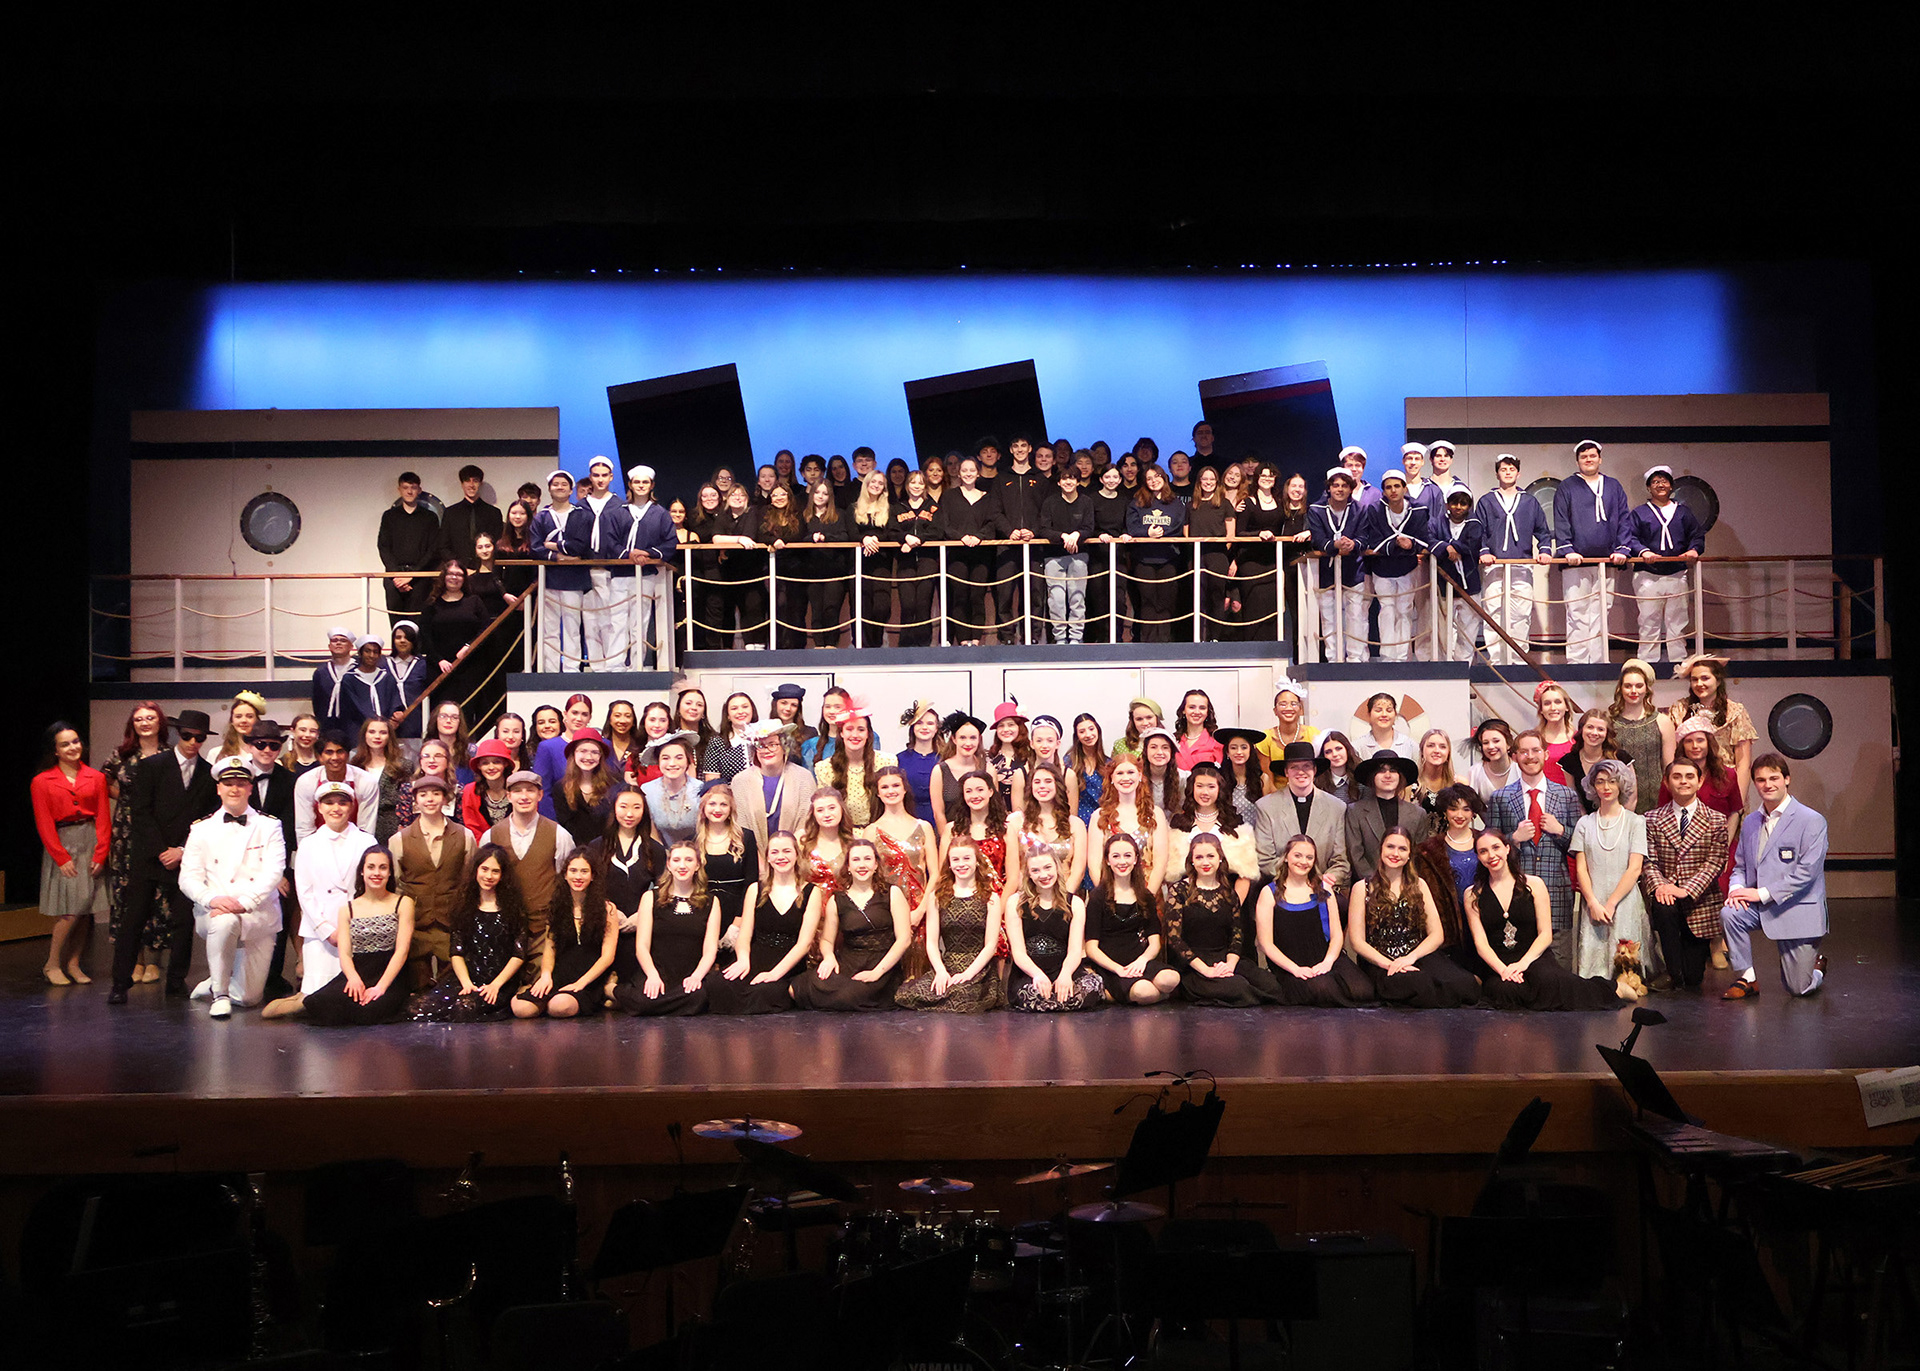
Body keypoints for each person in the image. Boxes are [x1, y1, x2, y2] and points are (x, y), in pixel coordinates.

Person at [109, 708, 217, 1003]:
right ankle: (119, 983)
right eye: (187, 736)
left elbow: (207, 819)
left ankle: (175, 980)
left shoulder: (209, 774)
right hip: (149, 855)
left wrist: (182, 850)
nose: (193, 742)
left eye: (199, 737)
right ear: (176, 734)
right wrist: (160, 850)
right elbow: (140, 812)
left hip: (186, 856)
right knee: (134, 919)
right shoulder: (153, 766)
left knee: (184, 921)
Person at [1467, 828, 1631, 1009]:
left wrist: (1522, 964)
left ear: (1507, 848)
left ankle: (1611, 989)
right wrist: (1503, 970)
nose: (1491, 855)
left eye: (1496, 847)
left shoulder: (1534, 884)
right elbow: (1480, 943)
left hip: (1534, 956)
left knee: (1549, 983)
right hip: (1499, 961)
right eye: (1483, 851)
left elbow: (1545, 934)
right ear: (1479, 857)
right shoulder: (1473, 895)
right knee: (1506, 991)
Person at [180, 759, 287, 1018]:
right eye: (228, 784)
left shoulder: (269, 825)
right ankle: (220, 993)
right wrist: (211, 898)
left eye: (241, 784)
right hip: (217, 911)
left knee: (250, 998)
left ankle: (216, 984)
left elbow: (274, 871)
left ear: (250, 788)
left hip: (257, 911)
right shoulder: (201, 829)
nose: (234, 789)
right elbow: (188, 877)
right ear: (218, 788)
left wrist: (246, 902)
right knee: (226, 921)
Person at [1723, 755, 1829, 1000]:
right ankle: (1747, 979)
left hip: (1797, 909)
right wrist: (1736, 890)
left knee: (1798, 988)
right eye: (1760, 780)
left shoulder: (1811, 820)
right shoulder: (1750, 822)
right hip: (1761, 906)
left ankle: (1818, 968)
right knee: (1730, 913)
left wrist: (1760, 893)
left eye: (1774, 778)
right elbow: (1739, 865)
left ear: (1786, 779)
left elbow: (1807, 873)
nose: (1767, 784)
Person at [1347, 828, 1479, 1007]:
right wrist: (1390, 965)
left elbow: (1436, 935)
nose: (1395, 853)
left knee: (1463, 985)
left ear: (1409, 854)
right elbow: (1357, 942)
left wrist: (1410, 958)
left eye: (1402, 849)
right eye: (1390, 847)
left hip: (1416, 955)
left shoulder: (1420, 884)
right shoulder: (1362, 888)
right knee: (1419, 985)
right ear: (1381, 850)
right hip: (1380, 960)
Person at [1485, 731, 1582, 966]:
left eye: (1536, 750)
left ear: (1546, 754)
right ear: (1515, 756)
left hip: (1556, 889)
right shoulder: (1500, 797)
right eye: (1524, 752)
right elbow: (1488, 847)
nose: (1530, 756)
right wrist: (1513, 839)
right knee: (1519, 957)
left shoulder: (1567, 795)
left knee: (1560, 962)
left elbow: (1579, 846)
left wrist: (1560, 830)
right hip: (1516, 891)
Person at [408, 844, 529, 1022]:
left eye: (495, 871)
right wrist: (466, 983)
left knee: (464, 1008)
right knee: (417, 1009)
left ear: (503, 875)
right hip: (467, 979)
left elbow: (518, 954)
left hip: (499, 982)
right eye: (484, 869)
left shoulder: (513, 908)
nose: (488, 876)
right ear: (476, 870)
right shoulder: (464, 905)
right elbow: (456, 951)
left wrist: (495, 985)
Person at [707, 831, 821, 1014]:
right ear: (767, 857)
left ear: (796, 855)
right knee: (717, 984)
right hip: (754, 959)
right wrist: (743, 960)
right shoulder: (756, 889)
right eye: (775, 852)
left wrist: (774, 974)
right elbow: (744, 936)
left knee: (765, 992)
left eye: (786, 851)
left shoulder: (811, 892)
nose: (781, 857)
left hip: (786, 966)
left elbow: (804, 944)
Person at [1255, 835, 1375, 1006]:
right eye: (1298, 855)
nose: (1303, 861)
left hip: (1324, 956)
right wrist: (1295, 969)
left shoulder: (1324, 890)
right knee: (1325, 990)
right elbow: (1266, 944)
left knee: (1362, 991)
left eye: (1309, 857)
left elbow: (1336, 935)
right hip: (1291, 964)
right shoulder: (1269, 893)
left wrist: (1328, 962)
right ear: (1287, 857)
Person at [795, 838, 913, 1011]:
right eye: (856, 860)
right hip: (847, 965)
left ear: (875, 865)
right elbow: (827, 940)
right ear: (848, 867)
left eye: (867, 859)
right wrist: (829, 957)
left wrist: (877, 973)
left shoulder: (892, 893)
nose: (862, 865)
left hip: (882, 968)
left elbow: (904, 940)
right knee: (797, 987)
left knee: (848, 996)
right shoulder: (837, 899)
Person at [32, 721, 109, 985]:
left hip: (91, 840)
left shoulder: (96, 778)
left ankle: (74, 963)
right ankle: (52, 963)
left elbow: (103, 818)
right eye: (65, 744)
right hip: (64, 842)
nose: (72, 747)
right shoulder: (42, 781)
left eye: (75, 741)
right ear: (55, 750)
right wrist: (61, 857)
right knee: (71, 907)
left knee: (87, 906)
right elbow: (44, 823)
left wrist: (101, 853)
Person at [304, 846, 416, 1026]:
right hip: (359, 971)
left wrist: (381, 987)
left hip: (390, 975)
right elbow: (345, 954)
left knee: (368, 1010)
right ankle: (293, 1004)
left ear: (389, 873)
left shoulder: (403, 903)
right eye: (371, 867)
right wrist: (353, 978)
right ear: (362, 872)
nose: (376, 873)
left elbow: (402, 950)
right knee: (319, 1002)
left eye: (383, 867)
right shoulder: (347, 909)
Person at [103, 703, 172, 985]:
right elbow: (104, 781)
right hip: (126, 834)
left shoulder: (170, 755)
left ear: (160, 722)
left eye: (150, 718)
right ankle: (135, 961)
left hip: (158, 829)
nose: (145, 723)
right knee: (127, 894)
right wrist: (126, 799)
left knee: (157, 893)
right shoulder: (121, 755)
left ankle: (153, 960)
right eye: (139, 719)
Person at [1164, 833, 1276, 1006]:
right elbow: (1175, 939)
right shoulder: (1179, 891)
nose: (1205, 862)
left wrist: (1229, 965)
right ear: (1192, 860)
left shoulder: (1228, 892)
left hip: (1224, 958)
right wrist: (1207, 971)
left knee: (1269, 985)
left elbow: (1237, 935)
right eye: (1199, 857)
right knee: (1238, 988)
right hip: (1194, 964)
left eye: (1210, 856)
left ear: (1220, 859)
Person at [385, 771, 474, 989]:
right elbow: (395, 885)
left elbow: (470, 881)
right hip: (415, 925)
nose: (430, 799)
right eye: (423, 795)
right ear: (415, 801)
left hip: (451, 922)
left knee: (451, 988)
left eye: (436, 794)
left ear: (445, 799)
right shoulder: (399, 840)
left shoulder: (465, 836)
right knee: (416, 988)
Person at [896, 835, 1005, 1011]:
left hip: (978, 970)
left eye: (966, 858)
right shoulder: (937, 897)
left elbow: (991, 946)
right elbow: (931, 942)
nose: (961, 864)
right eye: (955, 859)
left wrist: (968, 974)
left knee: (962, 997)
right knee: (905, 995)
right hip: (948, 966)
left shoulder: (990, 897)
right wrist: (940, 971)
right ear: (949, 863)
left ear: (976, 860)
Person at [1568, 757, 1652, 983]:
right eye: (1600, 781)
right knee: (1592, 973)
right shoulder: (1584, 823)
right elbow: (1581, 869)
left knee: (1625, 970)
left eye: (1612, 782)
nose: (1606, 787)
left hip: (1623, 901)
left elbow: (1635, 869)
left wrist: (1612, 902)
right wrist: (1593, 903)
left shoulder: (1636, 822)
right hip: (1593, 901)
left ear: (1621, 785)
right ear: (1593, 786)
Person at [513, 851, 620, 1019]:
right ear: (565, 874)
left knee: (559, 1006)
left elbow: (607, 957)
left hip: (589, 979)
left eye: (584, 871)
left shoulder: (608, 910)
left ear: (592, 876)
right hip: (560, 974)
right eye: (573, 871)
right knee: (520, 1007)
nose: (578, 876)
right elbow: (550, 949)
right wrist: (546, 976)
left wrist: (581, 983)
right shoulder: (557, 907)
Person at [1552, 440, 1632, 664]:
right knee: (1577, 612)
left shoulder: (1614, 486)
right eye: (1584, 456)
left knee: (1601, 613)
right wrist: (1567, 549)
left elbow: (1624, 518)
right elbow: (1561, 518)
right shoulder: (1567, 486)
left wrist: (1622, 549)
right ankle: (1577, 663)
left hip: (1606, 561)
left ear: (1600, 458)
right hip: (1576, 561)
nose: (1588, 459)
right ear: (1577, 461)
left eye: (1592, 455)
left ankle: (1599, 661)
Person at [487, 770, 574, 968]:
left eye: (530, 791)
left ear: (540, 795)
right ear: (508, 796)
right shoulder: (491, 836)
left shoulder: (559, 835)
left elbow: (565, 882)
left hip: (543, 930)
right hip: (503, 928)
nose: (524, 796)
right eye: (517, 791)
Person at [1472, 454, 1552, 664]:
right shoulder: (1486, 501)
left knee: (1521, 613)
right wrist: (1484, 551)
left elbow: (1542, 531)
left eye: (1511, 469)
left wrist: (1544, 550)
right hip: (1494, 566)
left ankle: (1518, 659)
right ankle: (1497, 660)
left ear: (1518, 473)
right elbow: (1478, 531)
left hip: (1521, 565)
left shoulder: (1529, 502)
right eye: (1503, 469)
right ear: (1497, 473)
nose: (1507, 473)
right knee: (1493, 612)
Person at [1084, 833, 1181, 1004]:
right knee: (1145, 991)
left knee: (1171, 978)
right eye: (1116, 856)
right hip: (1112, 967)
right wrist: (1118, 969)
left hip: (1139, 962)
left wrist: (1142, 960)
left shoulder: (1145, 896)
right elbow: (1091, 948)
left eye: (1127, 855)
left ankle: (1131, 995)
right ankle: (1119, 993)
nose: (1122, 861)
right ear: (1107, 860)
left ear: (1136, 859)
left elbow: (1154, 941)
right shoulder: (1098, 897)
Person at [1005, 846, 1105, 1011]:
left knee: (1093, 986)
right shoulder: (1015, 903)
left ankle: (1056, 999)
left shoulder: (1075, 903)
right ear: (1028, 874)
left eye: (1047, 867)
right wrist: (1037, 975)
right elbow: (1019, 953)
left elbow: (1074, 951)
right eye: (1035, 870)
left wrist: (1065, 974)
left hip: (1063, 969)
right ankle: (1056, 1001)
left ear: (1056, 867)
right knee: (1032, 996)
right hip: (1030, 974)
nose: (1043, 875)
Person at [1625, 465, 1704, 663]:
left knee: (1677, 621)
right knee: (1648, 620)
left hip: (1677, 572)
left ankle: (1678, 661)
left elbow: (1696, 535)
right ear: (1649, 488)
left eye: (1664, 481)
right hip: (1648, 574)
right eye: (1655, 482)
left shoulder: (1683, 512)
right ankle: (1647, 662)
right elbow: (1630, 537)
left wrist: (1694, 550)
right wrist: (1644, 551)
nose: (1660, 485)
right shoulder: (1639, 513)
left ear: (1671, 486)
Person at [1254, 740, 1350, 892]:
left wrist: (1325, 880)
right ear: (1286, 772)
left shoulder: (1336, 807)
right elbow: (1265, 860)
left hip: (1322, 887)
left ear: (1315, 769)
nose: (1301, 772)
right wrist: (1295, 881)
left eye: (1306, 766)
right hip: (1282, 887)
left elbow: (1340, 861)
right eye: (1294, 767)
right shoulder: (1266, 807)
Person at [1666, 654, 1758, 811]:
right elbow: (1672, 755)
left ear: (1718, 680)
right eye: (1695, 679)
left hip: (1724, 788)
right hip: (1688, 787)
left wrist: (1737, 803)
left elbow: (1743, 764)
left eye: (1705, 678)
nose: (1699, 683)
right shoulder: (1679, 709)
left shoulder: (1735, 712)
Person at [1412, 784, 1487, 975]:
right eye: (1453, 808)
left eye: (1466, 809)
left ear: (1473, 813)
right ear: (1445, 811)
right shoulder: (1428, 850)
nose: (1459, 815)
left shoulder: (1486, 843)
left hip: (1485, 920)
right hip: (1447, 928)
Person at [1359, 469, 1429, 662]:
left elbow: (1424, 539)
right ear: (1383, 491)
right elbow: (1372, 540)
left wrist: (1411, 545)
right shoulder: (1374, 510)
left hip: (1408, 567)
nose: (1393, 491)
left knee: (1405, 610)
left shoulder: (1419, 510)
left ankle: (1403, 657)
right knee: (1387, 610)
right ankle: (1388, 656)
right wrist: (1396, 544)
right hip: (1382, 569)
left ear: (1404, 488)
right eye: (1388, 487)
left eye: (1397, 486)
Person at [733, 720, 817, 869]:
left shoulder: (803, 777)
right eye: (760, 745)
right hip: (753, 863)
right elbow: (741, 829)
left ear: (784, 746)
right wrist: (759, 865)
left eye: (772, 744)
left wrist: (788, 857)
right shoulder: (740, 781)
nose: (766, 750)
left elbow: (807, 824)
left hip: (797, 862)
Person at [864, 765, 938, 936]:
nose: (891, 791)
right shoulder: (871, 831)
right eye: (885, 787)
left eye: (895, 785)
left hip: (921, 911)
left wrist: (921, 910)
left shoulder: (924, 827)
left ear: (905, 789)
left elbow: (935, 873)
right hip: (886, 912)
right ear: (878, 793)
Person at [934, 455, 999, 646]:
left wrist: (978, 536)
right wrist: (961, 537)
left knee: (977, 595)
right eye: (964, 471)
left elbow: (991, 523)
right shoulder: (949, 496)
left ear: (978, 473)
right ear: (959, 474)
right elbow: (944, 524)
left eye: (972, 470)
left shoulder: (987, 498)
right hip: (957, 553)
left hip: (981, 553)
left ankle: (976, 639)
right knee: (960, 595)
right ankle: (963, 639)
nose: (968, 474)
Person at [991, 435, 1049, 644]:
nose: (1020, 449)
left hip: (1034, 545)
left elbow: (1046, 512)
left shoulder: (1041, 479)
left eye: (1024, 445)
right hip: (1008, 546)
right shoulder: (1001, 478)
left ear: (1030, 448)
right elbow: (995, 512)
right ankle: (1007, 638)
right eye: (1015, 446)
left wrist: (1033, 531)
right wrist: (1009, 531)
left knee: (1034, 594)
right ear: (1010, 450)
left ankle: (1032, 637)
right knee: (1005, 594)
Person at [1087, 753, 1169, 892]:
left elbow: (1160, 862)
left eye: (1131, 772)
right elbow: (1094, 865)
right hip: (1110, 898)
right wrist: (1108, 896)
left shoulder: (1155, 814)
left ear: (1139, 775)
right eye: (1119, 773)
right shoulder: (1099, 816)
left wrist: (1146, 898)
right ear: (1112, 778)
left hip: (1148, 894)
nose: (1126, 778)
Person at [1343, 751, 1427, 885]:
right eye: (1381, 771)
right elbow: (1355, 854)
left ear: (1400, 776)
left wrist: (1406, 883)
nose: (1387, 775)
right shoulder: (1355, 811)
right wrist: (1375, 883)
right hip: (1368, 886)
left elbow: (1420, 855)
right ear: (1372, 777)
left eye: (1393, 771)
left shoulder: (1418, 814)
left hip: (1407, 886)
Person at [531, 469, 587, 671]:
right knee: (549, 628)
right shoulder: (541, 518)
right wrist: (560, 556)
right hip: (550, 579)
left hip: (574, 579)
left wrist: (553, 545)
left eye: (564, 484)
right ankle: (551, 669)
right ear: (549, 489)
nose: (560, 487)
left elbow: (580, 546)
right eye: (555, 484)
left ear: (571, 489)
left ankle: (572, 669)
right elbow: (536, 547)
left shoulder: (580, 515)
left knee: (573, 626)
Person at [624, 463, 678, 669]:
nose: (640, 485)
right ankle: (618, 664)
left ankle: (638, 664)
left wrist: (647, 553)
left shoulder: (661, 513)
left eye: (645, 482)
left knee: (640, 621)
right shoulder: (619, 511)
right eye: (637, 482)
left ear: (652, 485)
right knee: (618, 623)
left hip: (646, 573)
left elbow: (670, 542)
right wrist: (628, 554)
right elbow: (610, 541)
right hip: (620, 572)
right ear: (630, 484)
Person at [1125, 464, 1187, 643]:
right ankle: (1149, 642)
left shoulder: (1175, 503)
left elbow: (1178, 526)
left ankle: (1165, 642)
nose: (1154, 481)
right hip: (1143, 559)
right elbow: (1132, 527)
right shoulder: (1137, 501)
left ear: (1164, 477)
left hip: (1168, 558)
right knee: (1148, 601)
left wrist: (1159, 534)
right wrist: (1147, 534)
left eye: (1157, 476)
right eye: (1149, 478)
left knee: (1166, 601)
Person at [1607, 659, 1673, 815]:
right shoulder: (1610, 722)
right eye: (1628, 686)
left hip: (1656, 801)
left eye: (1639, 685)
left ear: (1647, 689)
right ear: (1620, 689)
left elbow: (1669, 768)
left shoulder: (1662, 721)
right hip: (1619, 799)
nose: (1633, 691)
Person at [695, 785, 759, 943]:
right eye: (712, 804)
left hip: (737, 912)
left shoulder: (746, 838)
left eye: (723, 804)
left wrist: (738, 923)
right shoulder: (693, 840)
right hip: (703, 912)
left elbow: (752, 882)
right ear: (703, 807)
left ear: (731, 808)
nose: (717, 809)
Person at [1232, 464, 1288, 643]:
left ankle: (1271, 648)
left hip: (1273, 561)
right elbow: (1238, 533)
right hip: (1251, 562)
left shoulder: (1280, 502)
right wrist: (1258, 534)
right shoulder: (1248, 502)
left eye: (1270, 476)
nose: (1266, 478)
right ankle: (1253, 649)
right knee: (1254, 606)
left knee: (1272, 606)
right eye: (1263, 475)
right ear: (1256, 478)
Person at [1039, 464, 1094, 644]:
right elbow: (1044, 529)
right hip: (1054, 556)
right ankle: (1060, 638)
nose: (1068, 482)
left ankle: (1076, 638)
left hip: (1079, 556)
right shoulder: (1050, 502)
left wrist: (1077, 535)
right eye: (1064, 478)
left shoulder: (1086, 501)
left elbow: (1089, 528)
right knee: (1056, 599)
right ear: (1059, 482)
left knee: (1077, 597)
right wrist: (1063, 536)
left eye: (1072, 478)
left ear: (1078, 481)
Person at [1430, 488, 1486, 661]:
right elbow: (1429, 539)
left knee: (1469, 629)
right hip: (1444, 585)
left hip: (1470, 585)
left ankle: (1464, 666)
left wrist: (1451, 544)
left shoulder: (1475, 524)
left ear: (1469, 506)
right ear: (1447, 504)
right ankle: (1445, 667)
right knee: (1442, 630)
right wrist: (1445, 548)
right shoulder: (1436, 522)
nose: (1458, 507)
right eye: (1454, 503)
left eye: (1463, 503)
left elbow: (1471, 546)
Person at [818, 704, 895, 828]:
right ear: (841, 733)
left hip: (882, 832)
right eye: (849, 729)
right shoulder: (825, 768)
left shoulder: (887, 762)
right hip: (843, 836)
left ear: (868, 734)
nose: (855, 735)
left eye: (860, 729)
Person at [293, 731, 380, 841]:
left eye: (340, 752)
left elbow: (366, 829)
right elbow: (304, 829)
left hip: (354, 845)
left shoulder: (366, 781)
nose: (335, 757)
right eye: (329, 752)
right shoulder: (306, 782)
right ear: (319, 757)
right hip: (318, 845)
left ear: (348, 755)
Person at [378, 471, 441, 617]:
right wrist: (397, 576)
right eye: (405, 487)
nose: (409, 491)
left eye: (413, 487)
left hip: (420, 577)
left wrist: (412, 575)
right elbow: (383, 547)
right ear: (399, 489)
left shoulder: (429, 517)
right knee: (396, 624)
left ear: (419, 490)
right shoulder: (389, 516)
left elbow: (433, 549)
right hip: (394, 578)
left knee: (417, 625)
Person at [889, 469, 941, 647]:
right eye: (913, 482)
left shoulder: (933, 506)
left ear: (925, 486)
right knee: (908, 604)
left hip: (928, 560)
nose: (916, 486)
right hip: (905, 561)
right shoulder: (897, 507)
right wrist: (905, 538)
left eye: (920, 483)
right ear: (907, 485)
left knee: (923, 604)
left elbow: (938, 531)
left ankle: (923, 646)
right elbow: (892, 530)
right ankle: (905, 646)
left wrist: (917, 540)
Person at [799, 479, 852, 648]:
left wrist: (826, 538)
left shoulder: (839, 514)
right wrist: (811, 538)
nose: (820, 496)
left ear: (830, 496)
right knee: (816, 611)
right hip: (811, 571)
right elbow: (797, 538)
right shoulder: (804, 516)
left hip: (834, 571)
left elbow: (845, 537)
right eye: (817, 492)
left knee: (831, 609)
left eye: (825, 493)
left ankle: (830, 645)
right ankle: (819, 645)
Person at [850, 471, 895, 647]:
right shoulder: (853, 508)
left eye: (880, 483)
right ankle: (865, 647)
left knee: (881, 607)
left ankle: (877, 643)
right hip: (860, 563)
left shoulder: (889, 508)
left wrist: (876, 540)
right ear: (866, 484)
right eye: (873, 482)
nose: (876, 485)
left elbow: (891, 532)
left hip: (881, 562)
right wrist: (864, 539)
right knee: (863, 607)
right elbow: (852, 532)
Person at [552, 729, 618, 845]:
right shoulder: (560, 787)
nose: (588, 756)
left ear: (601, 756)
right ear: (574, 754)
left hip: (607, 849)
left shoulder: (614, 784)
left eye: (594, 752)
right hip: (575, 852)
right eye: (583, 751)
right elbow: (565, 826)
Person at [437, 463, 503, 569]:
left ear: (480, 484)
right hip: (458, 570)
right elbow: (443, 547)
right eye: (467, 481)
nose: (471, 485)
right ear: (462, 484)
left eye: (475, 481)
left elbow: (497, 544)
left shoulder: (494, 513)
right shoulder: (450, 513)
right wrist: (459, 566)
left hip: (487, 569)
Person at [895, 701, 944, 825]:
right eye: (919, 723)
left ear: (936, 728)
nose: (924, 727)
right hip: (908, 820)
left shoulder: (946, 759)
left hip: (940, 819)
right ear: (912, 727)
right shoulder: (898, 759)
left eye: (930, 723)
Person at [1256, 682, 1319, 776]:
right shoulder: (1265, 738)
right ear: (1275, 711)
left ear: (1301, 710)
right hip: (1276, 790)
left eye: (1294, 704)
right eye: (1283, 704)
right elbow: (1267, 778)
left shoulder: (1313, 734)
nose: (1288, 708)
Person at [985, 702, 1033, 814]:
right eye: (1001, 725)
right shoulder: (988, 758)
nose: (1006, 729)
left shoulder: (1031, 756)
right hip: (996, 817)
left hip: (1027, 816)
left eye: (1011, 725)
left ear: (1019, 727)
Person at [703, 692, 759, 783]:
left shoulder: (764, 738)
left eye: (745, 707)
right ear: (728, 716)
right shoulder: (717, 742)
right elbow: (712, 783)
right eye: (734, 708)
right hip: (730, 795)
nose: (740, 712)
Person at [311, 627, 357, 734]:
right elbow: (317, 702)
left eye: (343, 640)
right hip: (327, 726)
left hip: (354, 725)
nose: (338, 643)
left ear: (351, 646)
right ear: (329, 646)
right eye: (335, 640)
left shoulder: (358, 669)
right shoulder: (321, 672)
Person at [1412, 728, 1462, 824]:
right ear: (1422, 751)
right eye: (1431, 746)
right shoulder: (1410, 785)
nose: (1436, 750)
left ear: (1448, 753)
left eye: (1442, 747)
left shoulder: (1458, 783)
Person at [1069, 713, 1109, 827]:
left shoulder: (1108, 763)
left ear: (1098, 730)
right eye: (1082, 731)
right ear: (1077, 736)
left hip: (1102, 822)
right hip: (1077, 822)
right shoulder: (1068, 763)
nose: (1088, 735)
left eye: (1091, 729)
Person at [1465, 720, 1516, 805]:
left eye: (1496, 741)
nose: (1491, 746)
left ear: (1508, 743)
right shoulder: (1475, 772)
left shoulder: (1520, 770)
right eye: (1485, 743)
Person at [1172, 689, 1221, 770]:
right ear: (1183, 710)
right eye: (1192, 707)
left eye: (1202, 708)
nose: (1197, 712)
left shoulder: (1216, 742)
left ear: (1207, 712)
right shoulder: (1173, 741)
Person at [770, 683, 818, 761]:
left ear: (798, 709)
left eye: (794, 705)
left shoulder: (809, 733)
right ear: (775, 705)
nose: (788, 708)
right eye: (784, 703)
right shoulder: (764, 732)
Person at [1315, 732, 1358, 806]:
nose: (1335, 754)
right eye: (1328, 752)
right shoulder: (1317, 784)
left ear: (1347, 749)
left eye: (1338, 749)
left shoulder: (1361, 779)